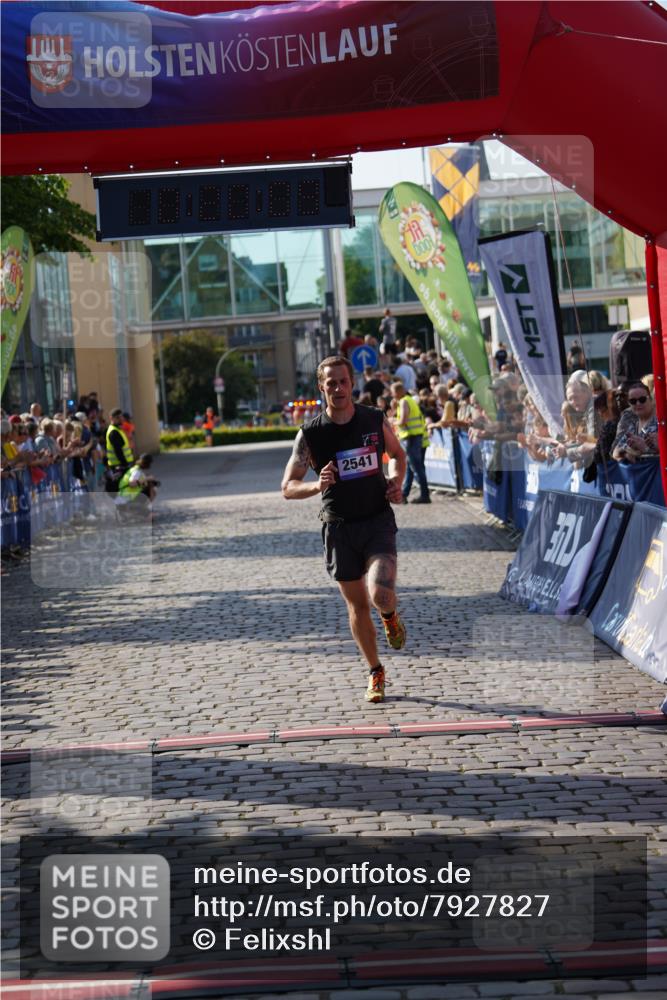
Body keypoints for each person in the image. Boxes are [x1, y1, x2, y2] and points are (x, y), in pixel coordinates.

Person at [281, 355, 407, 704]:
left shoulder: (373, 419)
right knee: (357, 607)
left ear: (352, 384)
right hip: (338, 528)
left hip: (377, 519)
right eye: (331, 382)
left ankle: (390, 614)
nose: (338, 388)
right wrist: (316, 486)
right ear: (321, 387)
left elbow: (397, 454)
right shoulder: (311, 435)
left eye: (343, 381)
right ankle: (375, 671)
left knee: (380, 593)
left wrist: (396, 481)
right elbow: (288, 487)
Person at [391, 380, 431, 504]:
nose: (392, 395)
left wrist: (393, 421)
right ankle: (404, 494)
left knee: (416, 468)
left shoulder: (403, 401)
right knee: (410, 468)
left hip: (411, 438)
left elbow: (403, 420)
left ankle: (425, 495)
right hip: (415, 437)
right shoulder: (410, 400)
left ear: (398, 392)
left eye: (393, 392)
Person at [611, 382, 659, 462]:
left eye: (642, 399)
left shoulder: (660, 423)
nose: (638, 403)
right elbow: (615, 452)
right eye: (633, 401)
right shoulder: (632, 425)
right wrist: (630, 452)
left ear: (650, 399)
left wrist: (644, 448)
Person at [105, 407, 134, 491]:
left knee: (124, 489)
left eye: (121, 417)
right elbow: (118, 451)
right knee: (123, 489)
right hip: (119, 466)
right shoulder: (114, 432)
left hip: (120, 465)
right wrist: (125, 464)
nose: (121, 419)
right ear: (112, 418)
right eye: (118, 417)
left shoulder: (118, 430)